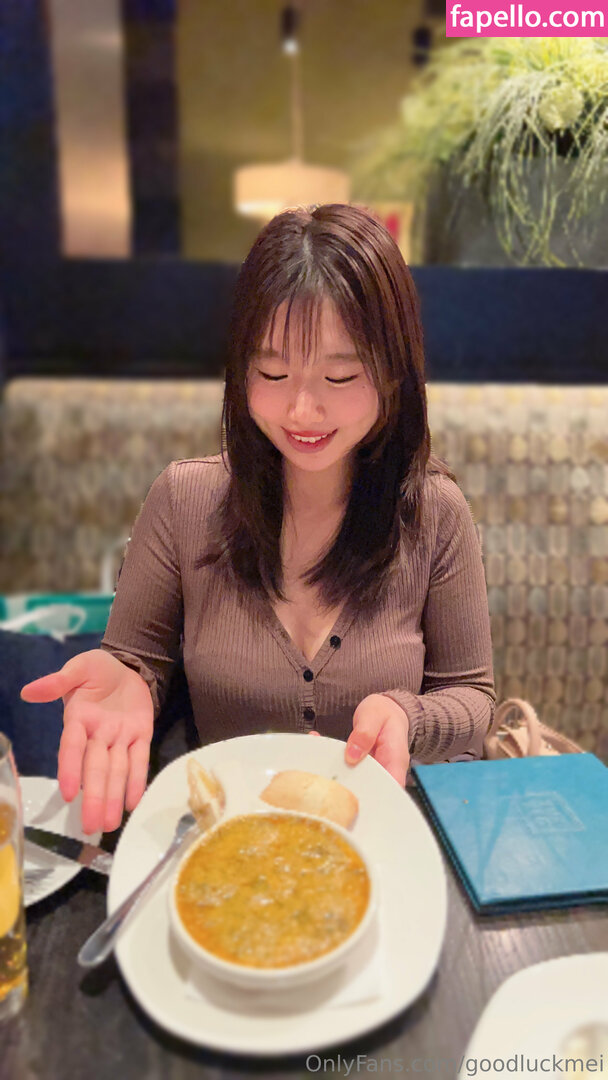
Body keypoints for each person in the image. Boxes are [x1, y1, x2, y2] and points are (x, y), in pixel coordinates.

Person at [20, 203, 495, 835]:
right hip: (228, 839)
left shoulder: (434, 514)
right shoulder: (183, 500)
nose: (302, 409)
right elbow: (138, 660)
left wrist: (409, 716)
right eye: (272, 372)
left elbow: (473, 699)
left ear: (394, 371)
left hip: (386, 843)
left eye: (340, 375)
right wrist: (128, 675)